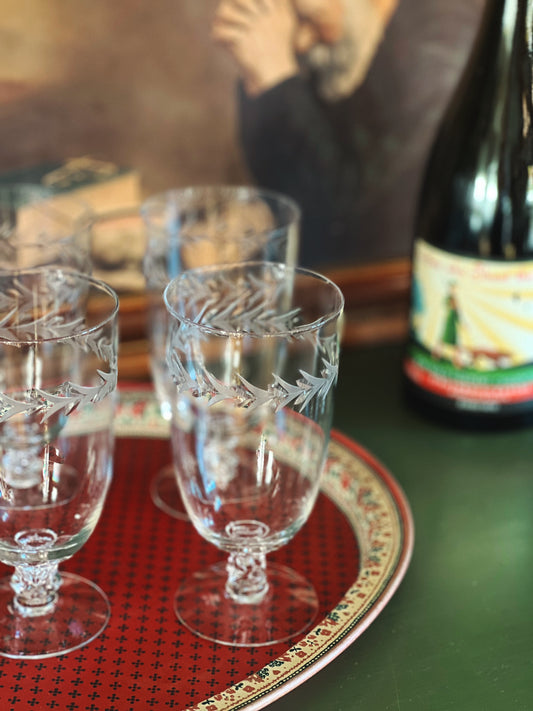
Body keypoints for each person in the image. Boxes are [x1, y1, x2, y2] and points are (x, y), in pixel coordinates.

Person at [211, 0, 399, 267]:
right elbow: (280, 193)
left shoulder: (432, 40)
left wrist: (276, 74)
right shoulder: (324, 51)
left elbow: (349, 219)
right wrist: (260, 77)